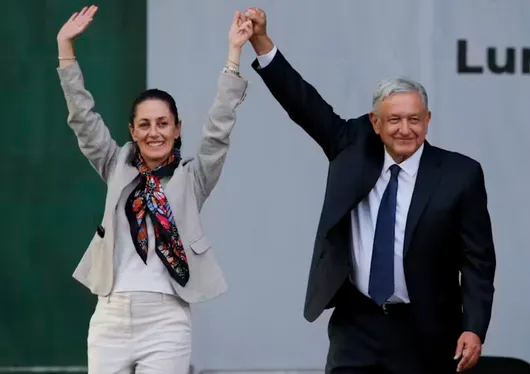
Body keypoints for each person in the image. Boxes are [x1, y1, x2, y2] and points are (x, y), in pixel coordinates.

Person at [244, 7, 496, 374]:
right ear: (375, 123)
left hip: (425, 328)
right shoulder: (351, 146)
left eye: (414, 119)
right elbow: (302, 101)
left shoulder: (461, 174)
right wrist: (260, 41)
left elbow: (478, 262)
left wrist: (473, 326)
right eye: (394, 119)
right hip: (356, 323)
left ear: (428, 121)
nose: (405, 129)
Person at [56, 5, 253, 373]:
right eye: (144, 124)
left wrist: (233, 54)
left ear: (177, 128)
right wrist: (65, 49)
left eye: (163, 123)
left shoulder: (192, 178)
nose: (154, 132)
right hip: (111, 315)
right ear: (132, 131)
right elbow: (83, 120)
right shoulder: (116, 166)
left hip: (166, 319)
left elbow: (218, 130)